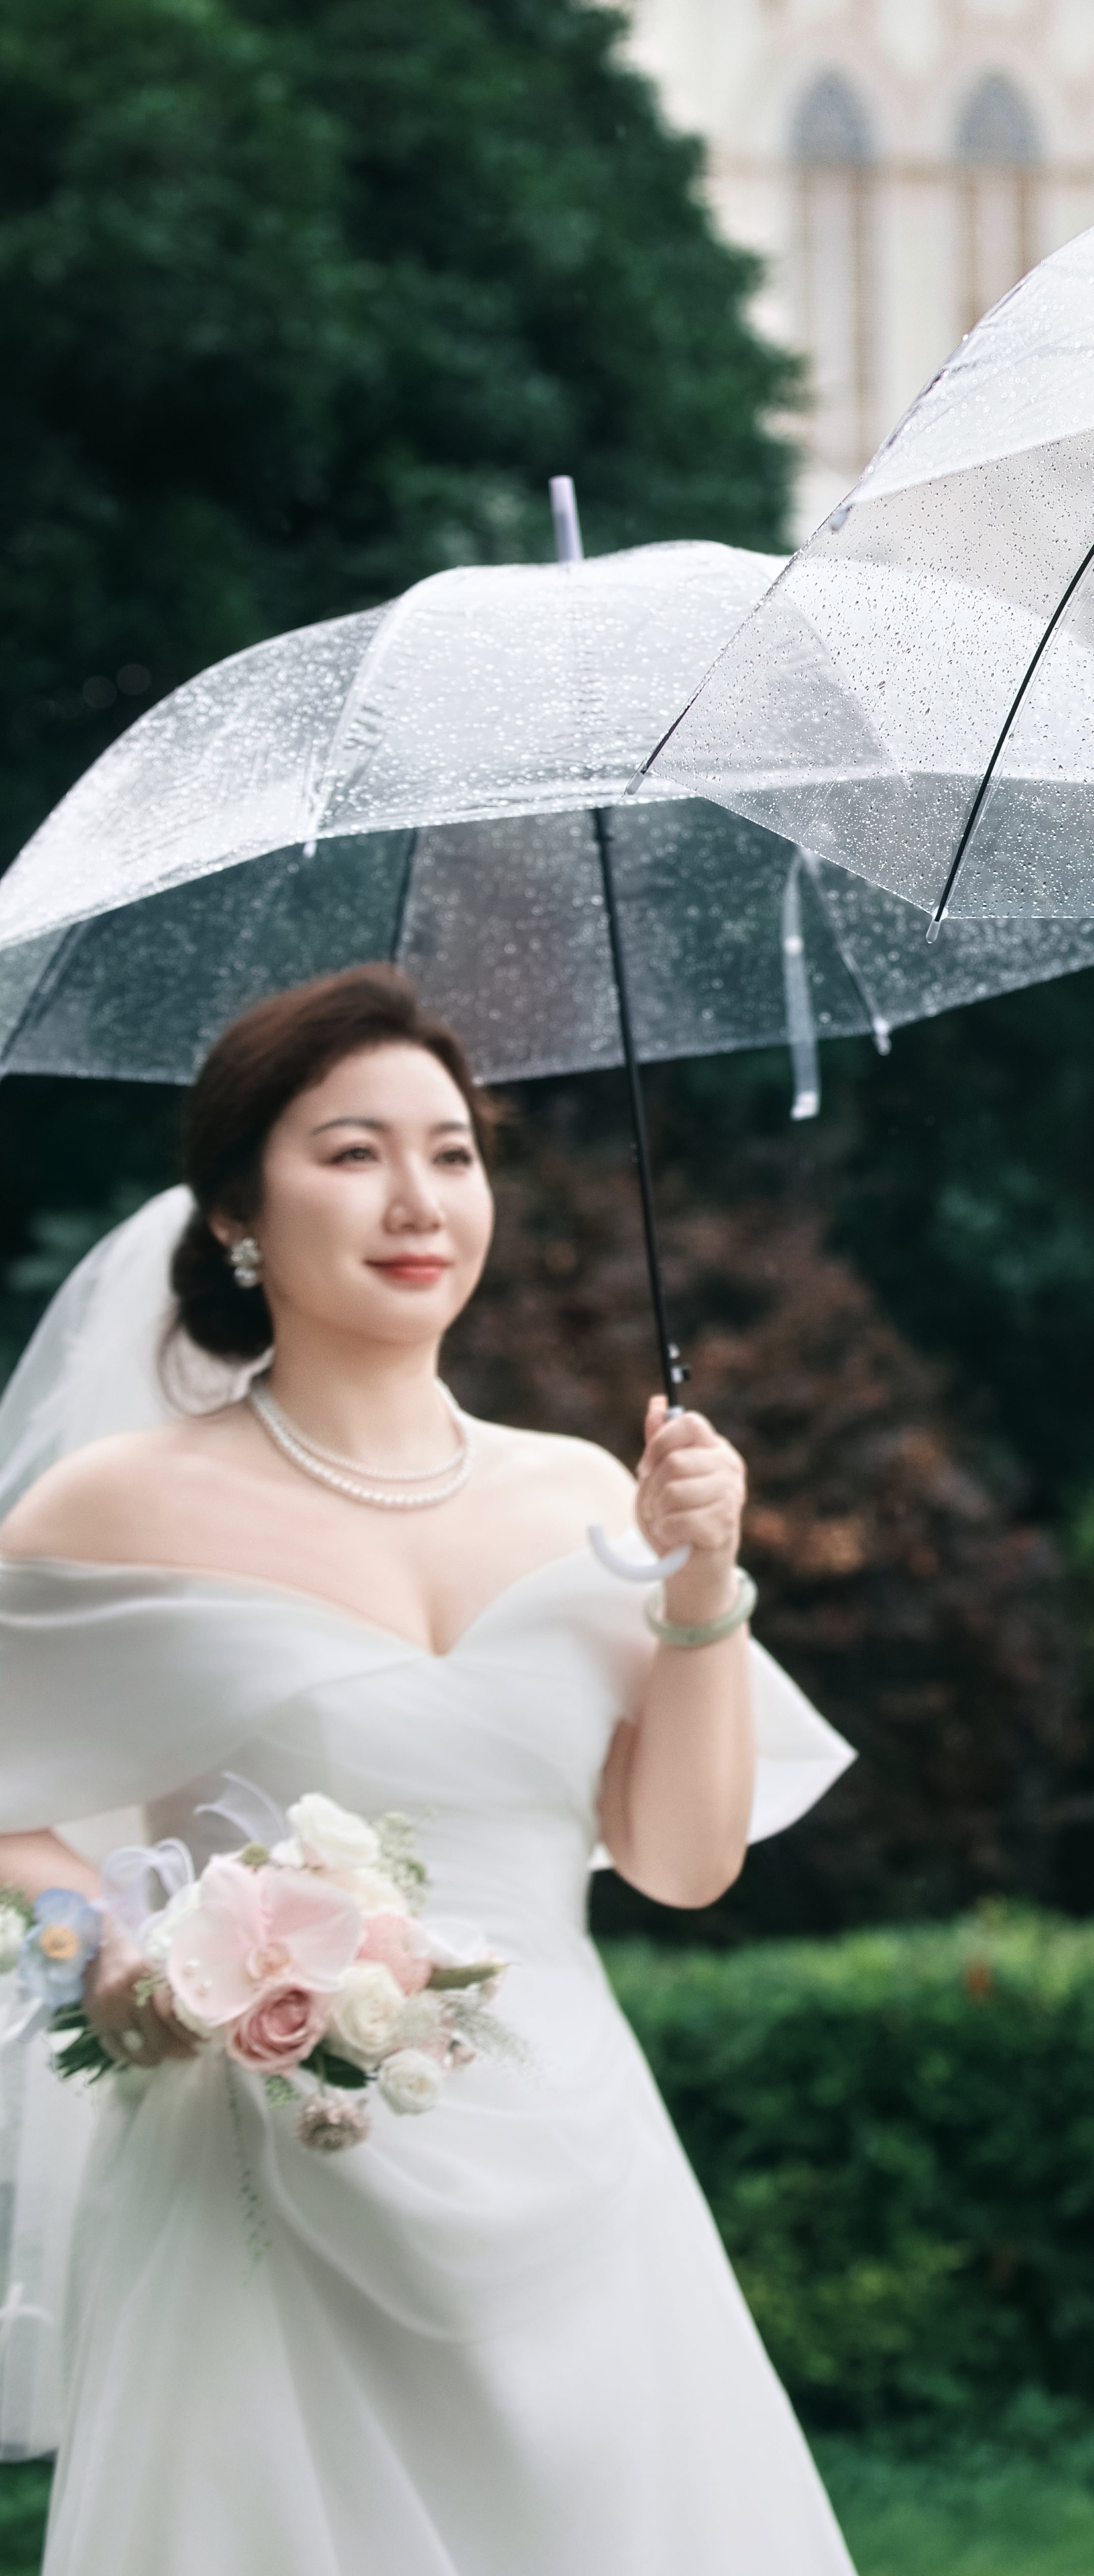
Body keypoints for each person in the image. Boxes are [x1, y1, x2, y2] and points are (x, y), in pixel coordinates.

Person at [0, 964, 857, 2575]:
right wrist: (101, 1950)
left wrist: (701, 1577)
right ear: (237, 1211)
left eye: (452, 1153)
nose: (419, 1200)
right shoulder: (122, 1505)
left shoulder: (583, 1495)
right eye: (353, 1153)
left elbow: (682, 1865)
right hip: (262, 2201)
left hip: (578, 2177)